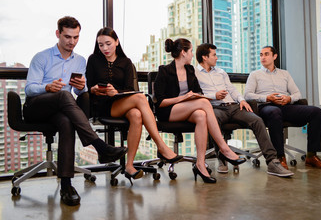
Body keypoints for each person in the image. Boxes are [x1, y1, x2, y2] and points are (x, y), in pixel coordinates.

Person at [24, 17, 128, 206]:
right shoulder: (42, 57)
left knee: (66, 120)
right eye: (67, 37)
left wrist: (82, 88)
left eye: (76, 37)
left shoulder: (79, 61)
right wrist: (47, 87)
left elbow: (80, 91)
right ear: (58, 34)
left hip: (61, 110)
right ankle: (100, 146)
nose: (71, 41)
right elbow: (29, 89)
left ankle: (66, 185)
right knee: (65, 95)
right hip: (36, 106)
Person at [86, 27, 182, 184]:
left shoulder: (126, 62)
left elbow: (130, 90)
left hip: (121, 102)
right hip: (102, 105)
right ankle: (161, 146)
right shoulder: (93, 60)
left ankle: (130, 166)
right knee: (140, 98)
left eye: (108, 43)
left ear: (116, 42)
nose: (104, 48)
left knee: (137, 114)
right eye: (100, 44)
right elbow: (89, 86)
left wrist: (116, 91)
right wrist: (95, 89)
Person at [154, 38, 246, 184]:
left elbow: (199, 92)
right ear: (183, 53)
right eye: (190, 51)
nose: (192, 55)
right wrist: (185, 98)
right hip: (169, 111)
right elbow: (159, 102)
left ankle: (200, 164)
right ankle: (224, 148)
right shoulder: (164, 71)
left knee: (202, 115)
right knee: (203, 103)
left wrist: (193, 97)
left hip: (188, 109)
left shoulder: (190, 70)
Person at [194, 43, 293, 177]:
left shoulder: (221, 72)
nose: (217, 58)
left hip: (233, 106)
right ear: (205, 57)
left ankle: (272, 161)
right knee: (213, 121)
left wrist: (241, 100)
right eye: (214, 55)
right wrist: (213, 96)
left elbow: (232, 89)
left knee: (257, 121)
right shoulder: (194, 73)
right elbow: (194, 95)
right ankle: (222, 158)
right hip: (214, 108)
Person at [244, 46, 321, 170]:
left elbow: (297, 94)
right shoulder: (255, 75)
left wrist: (289, 99)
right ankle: (280, 157)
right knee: (274, 112)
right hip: (267, 107)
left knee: (316, 112)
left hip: (285, 106)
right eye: (261, 55)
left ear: (274, 56)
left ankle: (311, 156)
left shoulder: (284, 74)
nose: (262, 57)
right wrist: (267, 98)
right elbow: (247, 95)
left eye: (266, 54)